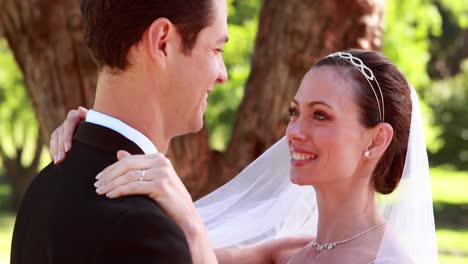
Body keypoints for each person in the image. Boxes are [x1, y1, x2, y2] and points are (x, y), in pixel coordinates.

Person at [50, 49, 438, 263]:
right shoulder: (285, 253)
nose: (294, 132)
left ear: (377, 139)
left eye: (320, 115)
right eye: (294, 112)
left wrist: (186, 210)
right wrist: (95, 130)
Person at [11, 0, 228, 263]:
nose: (222, 74)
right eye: (216, 49)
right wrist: (195, 233)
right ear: (162, 42)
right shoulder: (145, 230)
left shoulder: (43, 188)